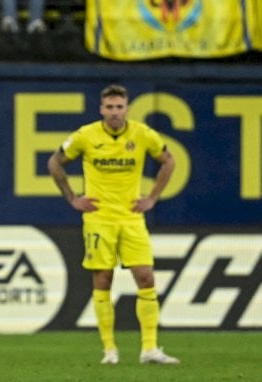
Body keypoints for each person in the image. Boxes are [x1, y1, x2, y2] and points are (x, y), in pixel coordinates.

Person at [47, 84, 179, 365]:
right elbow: (55, 163)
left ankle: (150, 349)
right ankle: (110, 350)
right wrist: (72, 197)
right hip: (99, 219)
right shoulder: (86, 135)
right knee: (103, 280)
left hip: (132, 217)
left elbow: (169, 160)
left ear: (127, 109)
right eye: (109, 107)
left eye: (119, 107)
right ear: (101, 109)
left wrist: (153, 197)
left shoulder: (142, 134)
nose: (115, 112)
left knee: (146, 278)